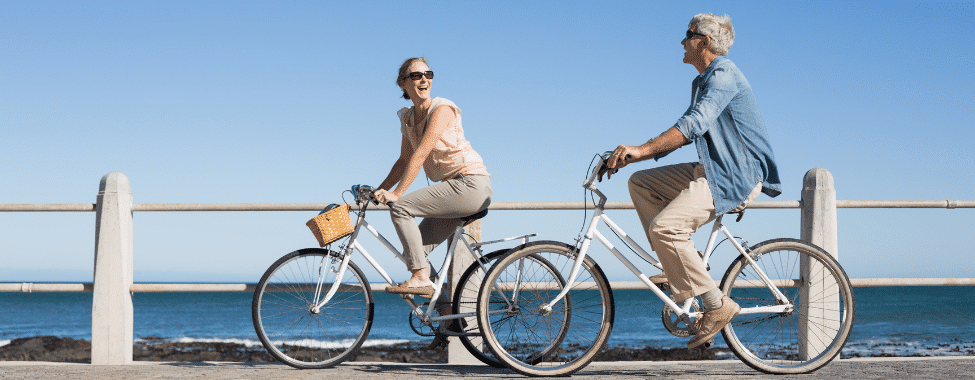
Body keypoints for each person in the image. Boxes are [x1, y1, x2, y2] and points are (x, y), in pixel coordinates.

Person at [600, 14, 781, 349]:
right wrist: (632, 157)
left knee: (666, 228)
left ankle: (717, 305)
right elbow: (686, 130)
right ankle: (679, 264)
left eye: (687, 35)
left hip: (735, 175)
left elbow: (694, 124)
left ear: (705, 42)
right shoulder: (703, 81)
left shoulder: (724, 74)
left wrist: (641, 149)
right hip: (712, 169)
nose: (682, 41)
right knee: (641, 183)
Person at [372, 57, 492, 302]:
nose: (424, 79)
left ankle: (420, 278)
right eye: (416, 75)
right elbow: (404, 160)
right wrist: (379, 190)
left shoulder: (442, 109)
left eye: (428, 74)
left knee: (402, 208)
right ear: (402, 83)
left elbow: (421, 153)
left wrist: (396, 195)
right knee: (413, 251)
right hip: (453, 190)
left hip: (471, 184)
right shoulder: (408, 118)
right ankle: (447, 316)